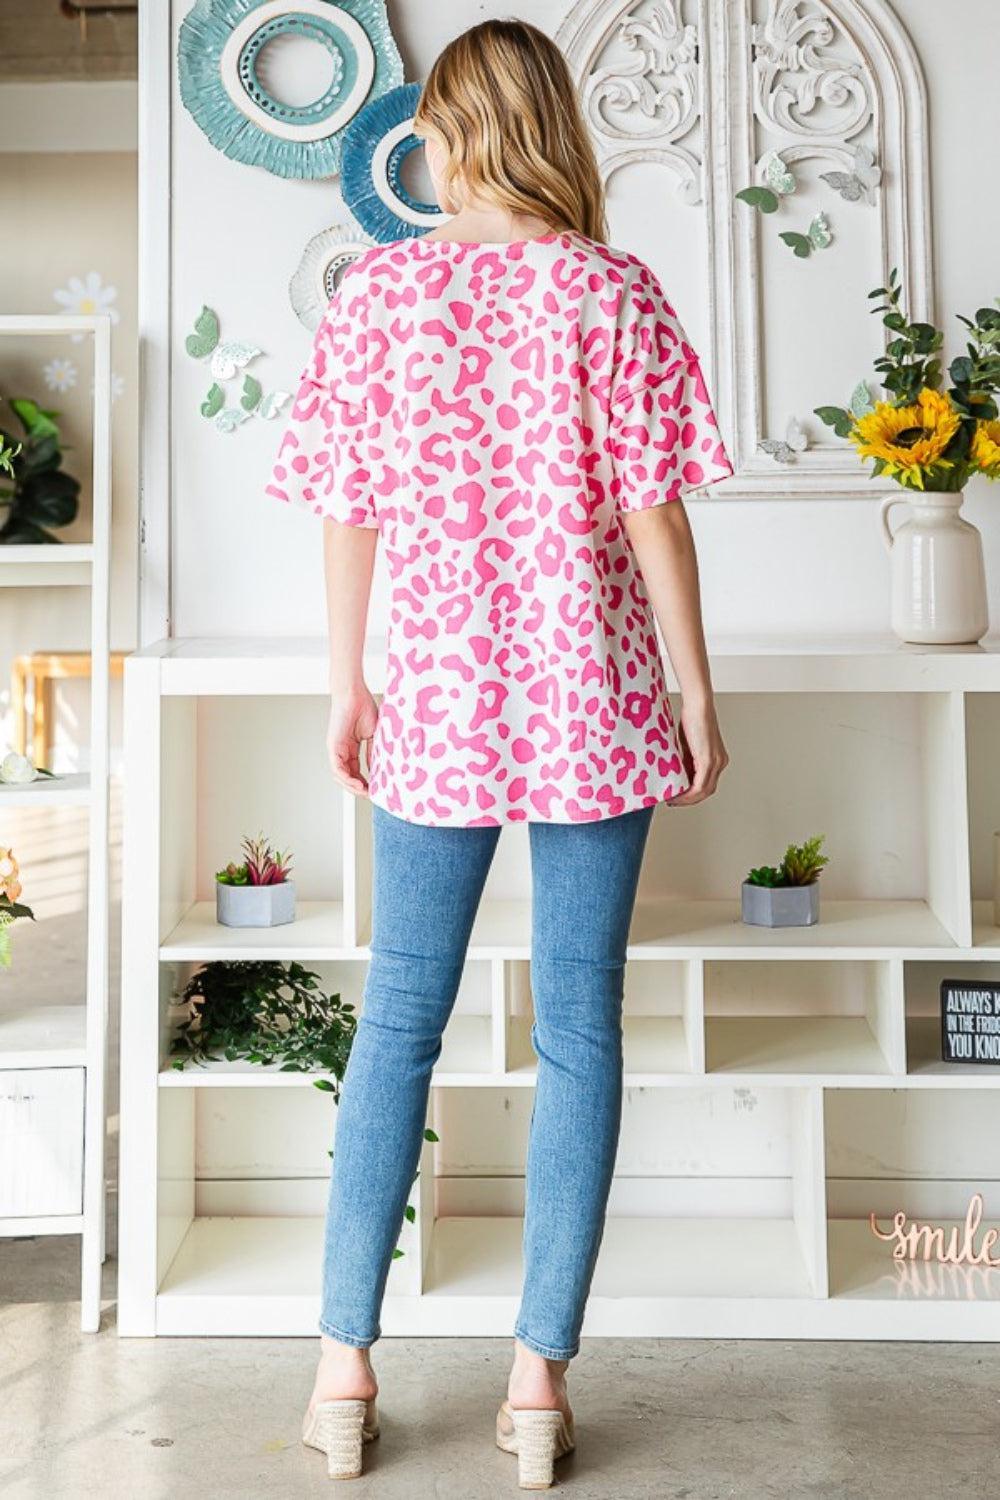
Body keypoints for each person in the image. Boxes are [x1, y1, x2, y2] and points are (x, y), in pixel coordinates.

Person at [266, 16, 732, 1488]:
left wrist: (350, 682)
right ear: (551, 126)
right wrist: (695, 692)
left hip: (444, 706)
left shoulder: (383, 295)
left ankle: (342, 1374)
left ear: (449, 132)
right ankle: (537, 1392)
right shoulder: (612, 290)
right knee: (579, 1035)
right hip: (594, 698)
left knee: (394, 1028)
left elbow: (349, 508)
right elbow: (657, 513)